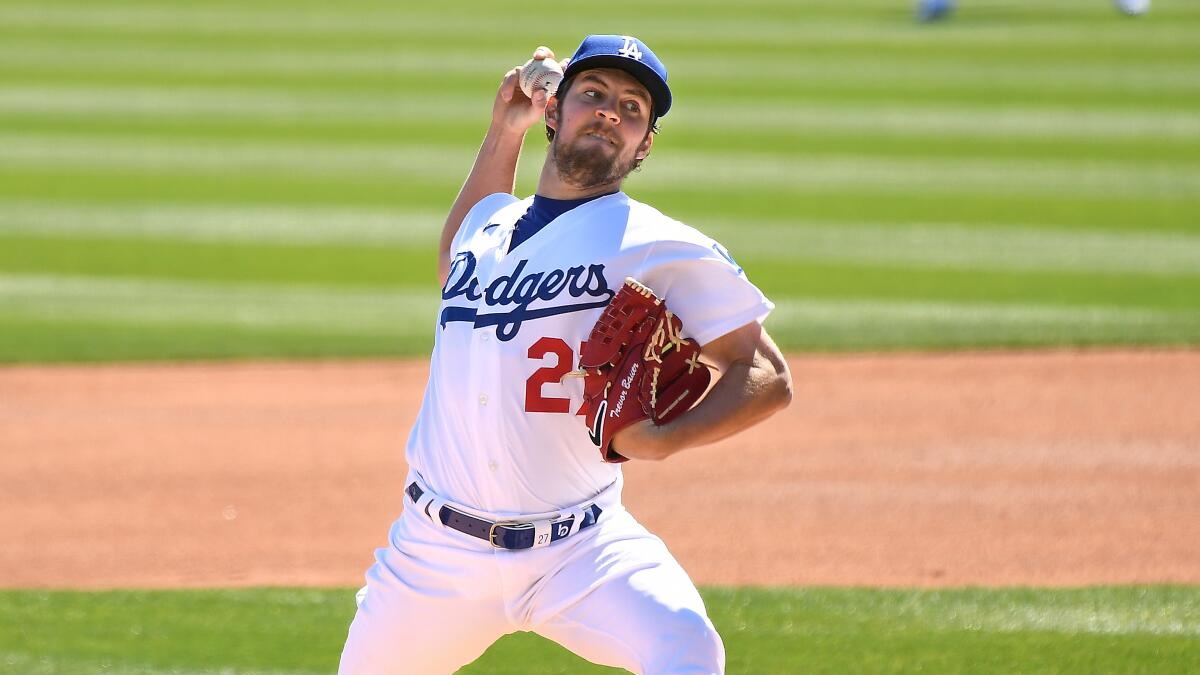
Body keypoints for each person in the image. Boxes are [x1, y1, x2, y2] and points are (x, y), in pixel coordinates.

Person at [338, 35, 792, 674]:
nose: (611, 112)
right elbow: (454, 260)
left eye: (633, 109)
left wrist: (666, 439)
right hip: (433, 555)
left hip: (582, 549)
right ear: (556, 112)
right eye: (594, 94)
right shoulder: (489, 228)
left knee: (687, 649)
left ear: (645, 145)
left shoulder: (659, 243)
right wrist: (504, 129)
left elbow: (767, 372)